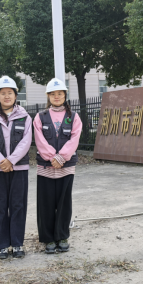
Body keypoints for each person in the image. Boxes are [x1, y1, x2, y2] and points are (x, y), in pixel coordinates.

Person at [0, 76, 32, 260]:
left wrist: (11, 160)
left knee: (18, 205)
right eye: (3, 93)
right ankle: (2, 246)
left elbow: (26, 141)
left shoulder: (25, 117)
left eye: (10, 93)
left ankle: (17, 244)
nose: (7, 96)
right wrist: (2, 161)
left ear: (16, 95)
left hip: (19, 169)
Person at [33, 78, 82, 254]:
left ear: (65, 95)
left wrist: (61, 157)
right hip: (45, 168)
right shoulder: (40, 117)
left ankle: (62, 236)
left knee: (64, 203)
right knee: (45, 203)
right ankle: (48, 239)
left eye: (60, 93)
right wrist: (52, 157)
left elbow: (74, 139)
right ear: (48, 96)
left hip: (66, 168)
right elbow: (39, 139)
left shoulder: (73, 117)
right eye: (53, 94)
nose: (56, 96)